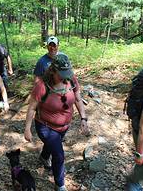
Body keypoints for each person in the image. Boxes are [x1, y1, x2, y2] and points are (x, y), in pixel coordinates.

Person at [24, 54, 90, 191]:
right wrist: (27, 129)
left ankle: (43, 157)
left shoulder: (71, 80)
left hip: (64, 126)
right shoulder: (42, 86)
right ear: (53, 71)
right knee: (59, 155)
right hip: (45, 126)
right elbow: (31, 108)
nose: (65, 76)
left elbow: (77, 99)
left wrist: (83, 118)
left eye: (67, 73)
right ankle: (59, 185)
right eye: (62, 73)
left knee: (54, 145)